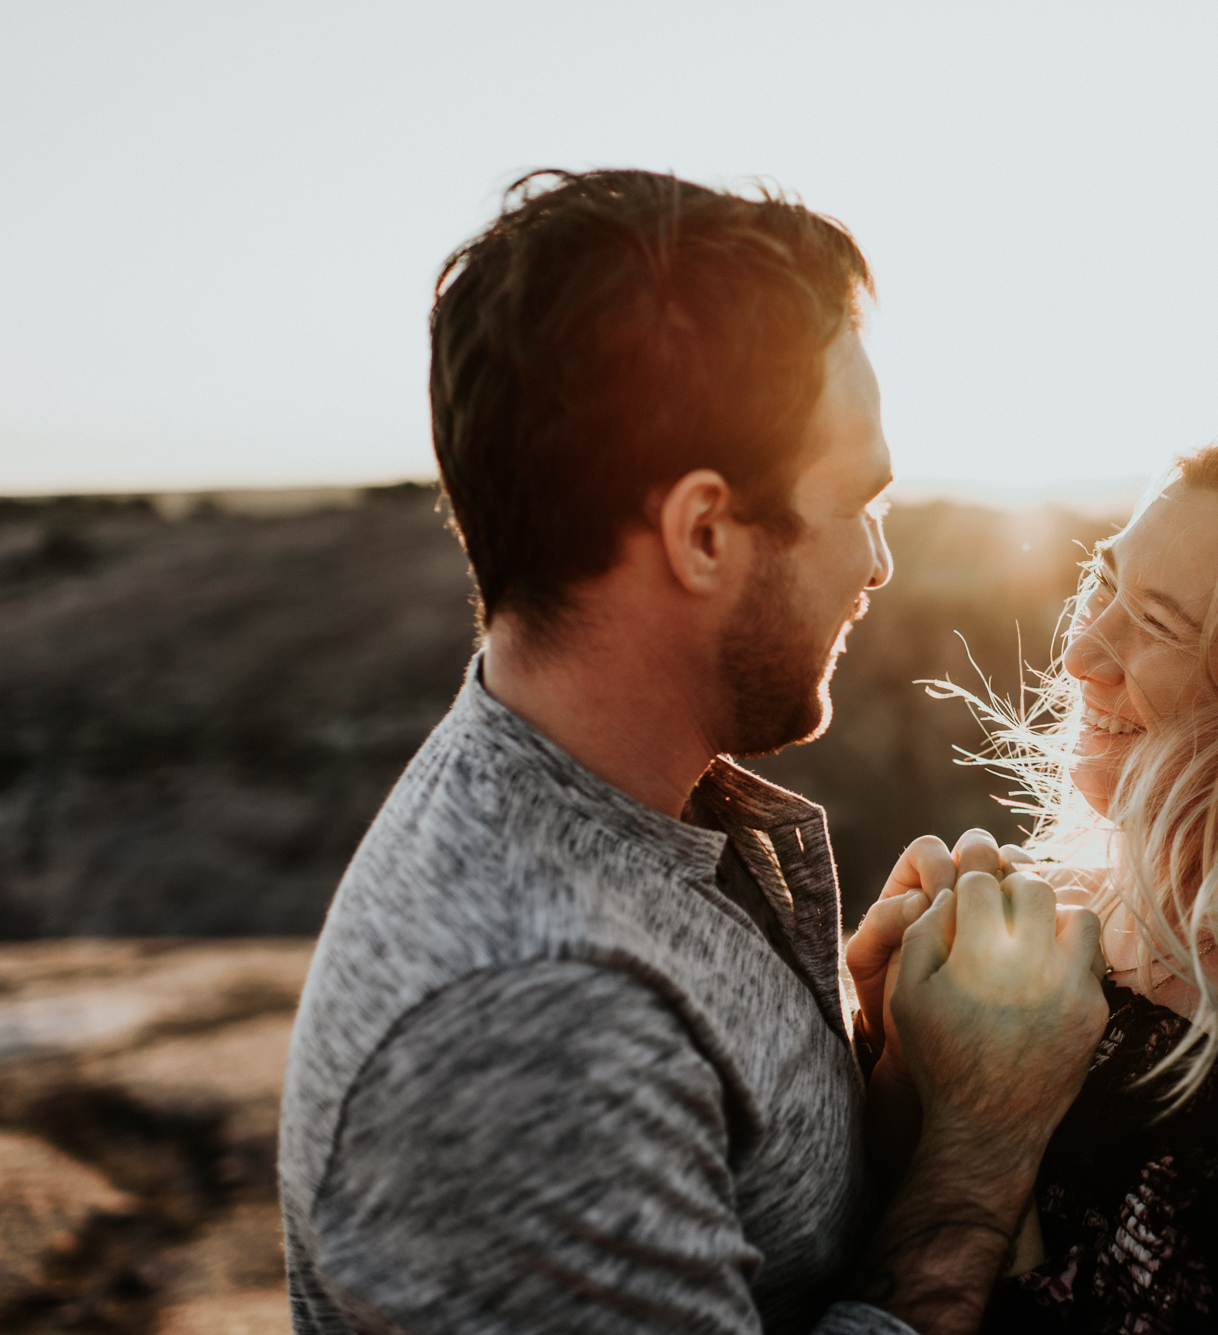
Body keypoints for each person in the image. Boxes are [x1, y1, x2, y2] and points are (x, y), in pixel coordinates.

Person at [278, 170, 1107, 1335]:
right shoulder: (531, 1034)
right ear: (704, 531)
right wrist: (983, 1145)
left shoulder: (644, 814)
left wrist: (892, 1083)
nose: (877, 565)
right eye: (857, 502)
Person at [848, 426, 1218, 1333]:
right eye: (1104, 583)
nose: (1081, 656)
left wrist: (992, 1124)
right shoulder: (1024, 924)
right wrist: (884, 1052)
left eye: (1162, 623)